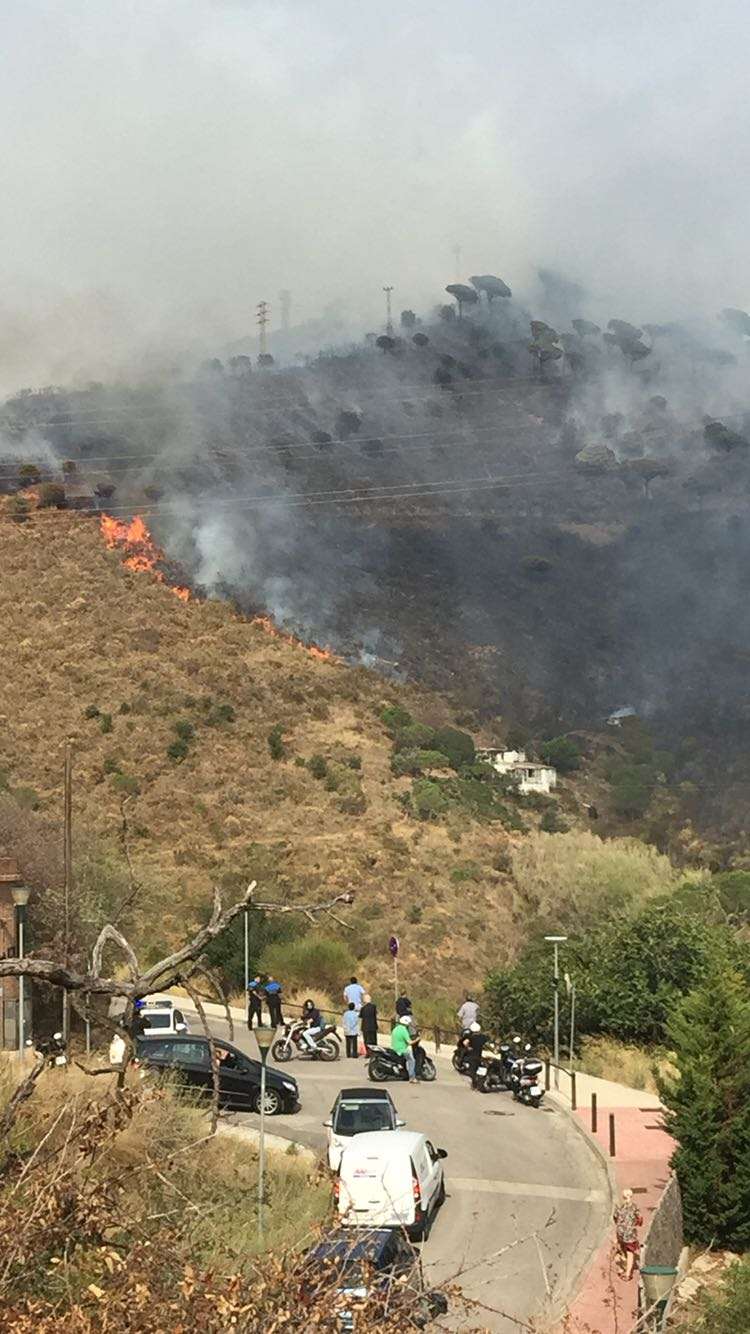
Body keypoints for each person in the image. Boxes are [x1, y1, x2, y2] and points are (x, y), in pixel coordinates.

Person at [614, 1188, 643, 1281]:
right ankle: (627, 1274)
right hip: (630, 1234)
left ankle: (622, 1268)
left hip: (620, 1232)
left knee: (621, 1249)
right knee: (630, 1253)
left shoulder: (619, 1206)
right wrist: (634, 1223)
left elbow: (615, 1218)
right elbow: (640, 1219)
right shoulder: (634, 1207)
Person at [390, 1015, 417, 1083]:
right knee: (412, 1060)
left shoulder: (395, 1029)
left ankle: (404, 1072)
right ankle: (412, 1077)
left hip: (394, 1048)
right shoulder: (404, 1030)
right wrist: (417, 1040)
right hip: (402, 1049)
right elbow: (409, 1042)